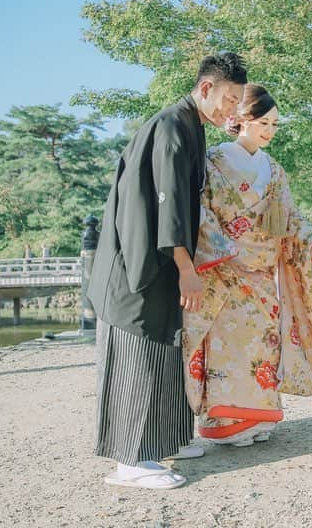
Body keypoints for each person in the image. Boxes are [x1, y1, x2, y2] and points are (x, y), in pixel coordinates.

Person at [87, 52, 247, 490]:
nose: (231, 110)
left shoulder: (189, 124)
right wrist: (186, 267)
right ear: (206, 88)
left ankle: (161, 442)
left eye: (238, 104)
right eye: (228, 100)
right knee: (136, 357)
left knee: (163, 352)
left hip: (156, 263)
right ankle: (129, 461)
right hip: (138, 266)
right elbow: (169, 203)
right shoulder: (172, 127)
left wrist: (228, 129)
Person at [183, 84, 312, 447]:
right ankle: (226, 421)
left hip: (264, 273)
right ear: (240, 120)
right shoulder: (213, 161)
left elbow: (291, 218)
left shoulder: (274, 170)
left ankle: (259, 419)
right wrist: (225, 251)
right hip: (225, 269)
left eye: (276, 124)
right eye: (264, 122)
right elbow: (201, 212)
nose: (270, 130)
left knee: (264, 346)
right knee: (229, 348)